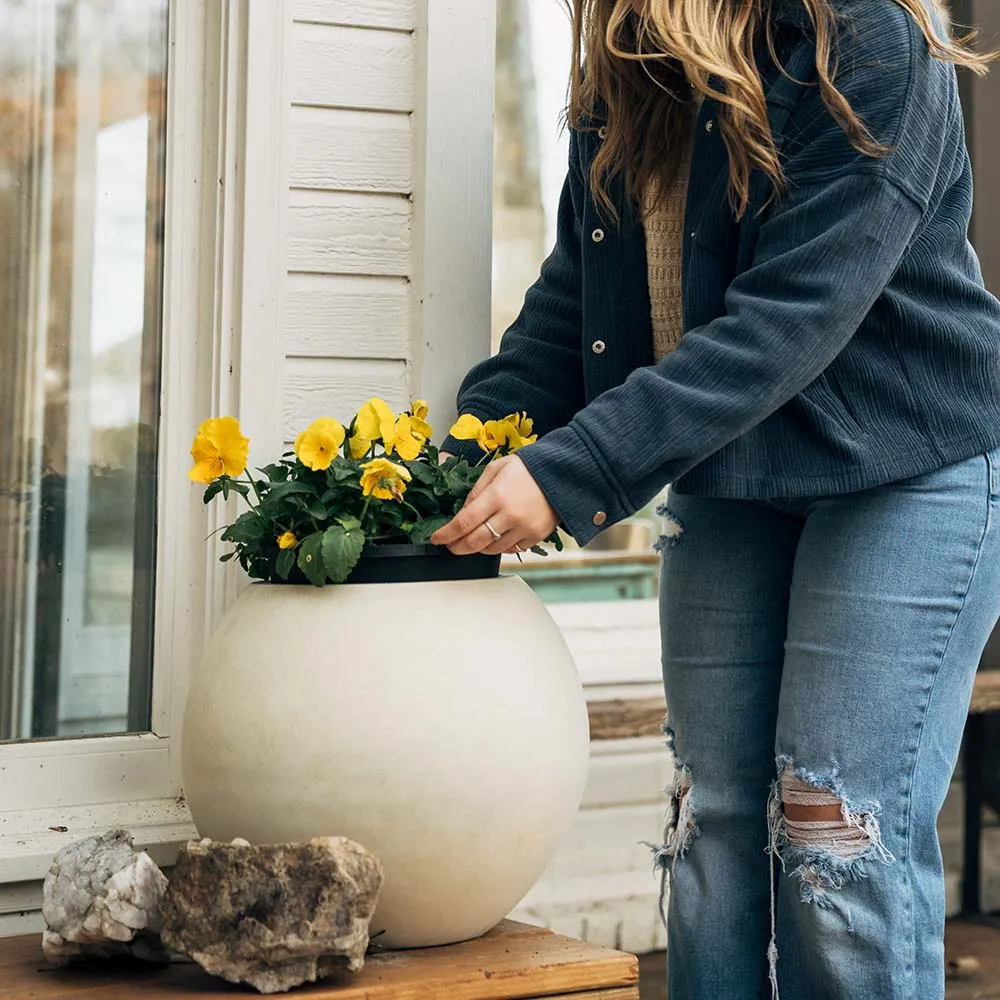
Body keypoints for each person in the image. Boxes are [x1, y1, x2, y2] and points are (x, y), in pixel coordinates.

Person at [431, 0, 1000, 997]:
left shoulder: (866, 43)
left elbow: (792, 315)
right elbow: (577, 296)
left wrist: (572, 474)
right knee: (715, 822)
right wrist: (470, 454)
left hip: (909, 469)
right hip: (738, 469)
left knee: (833, 822)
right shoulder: (632, 67)